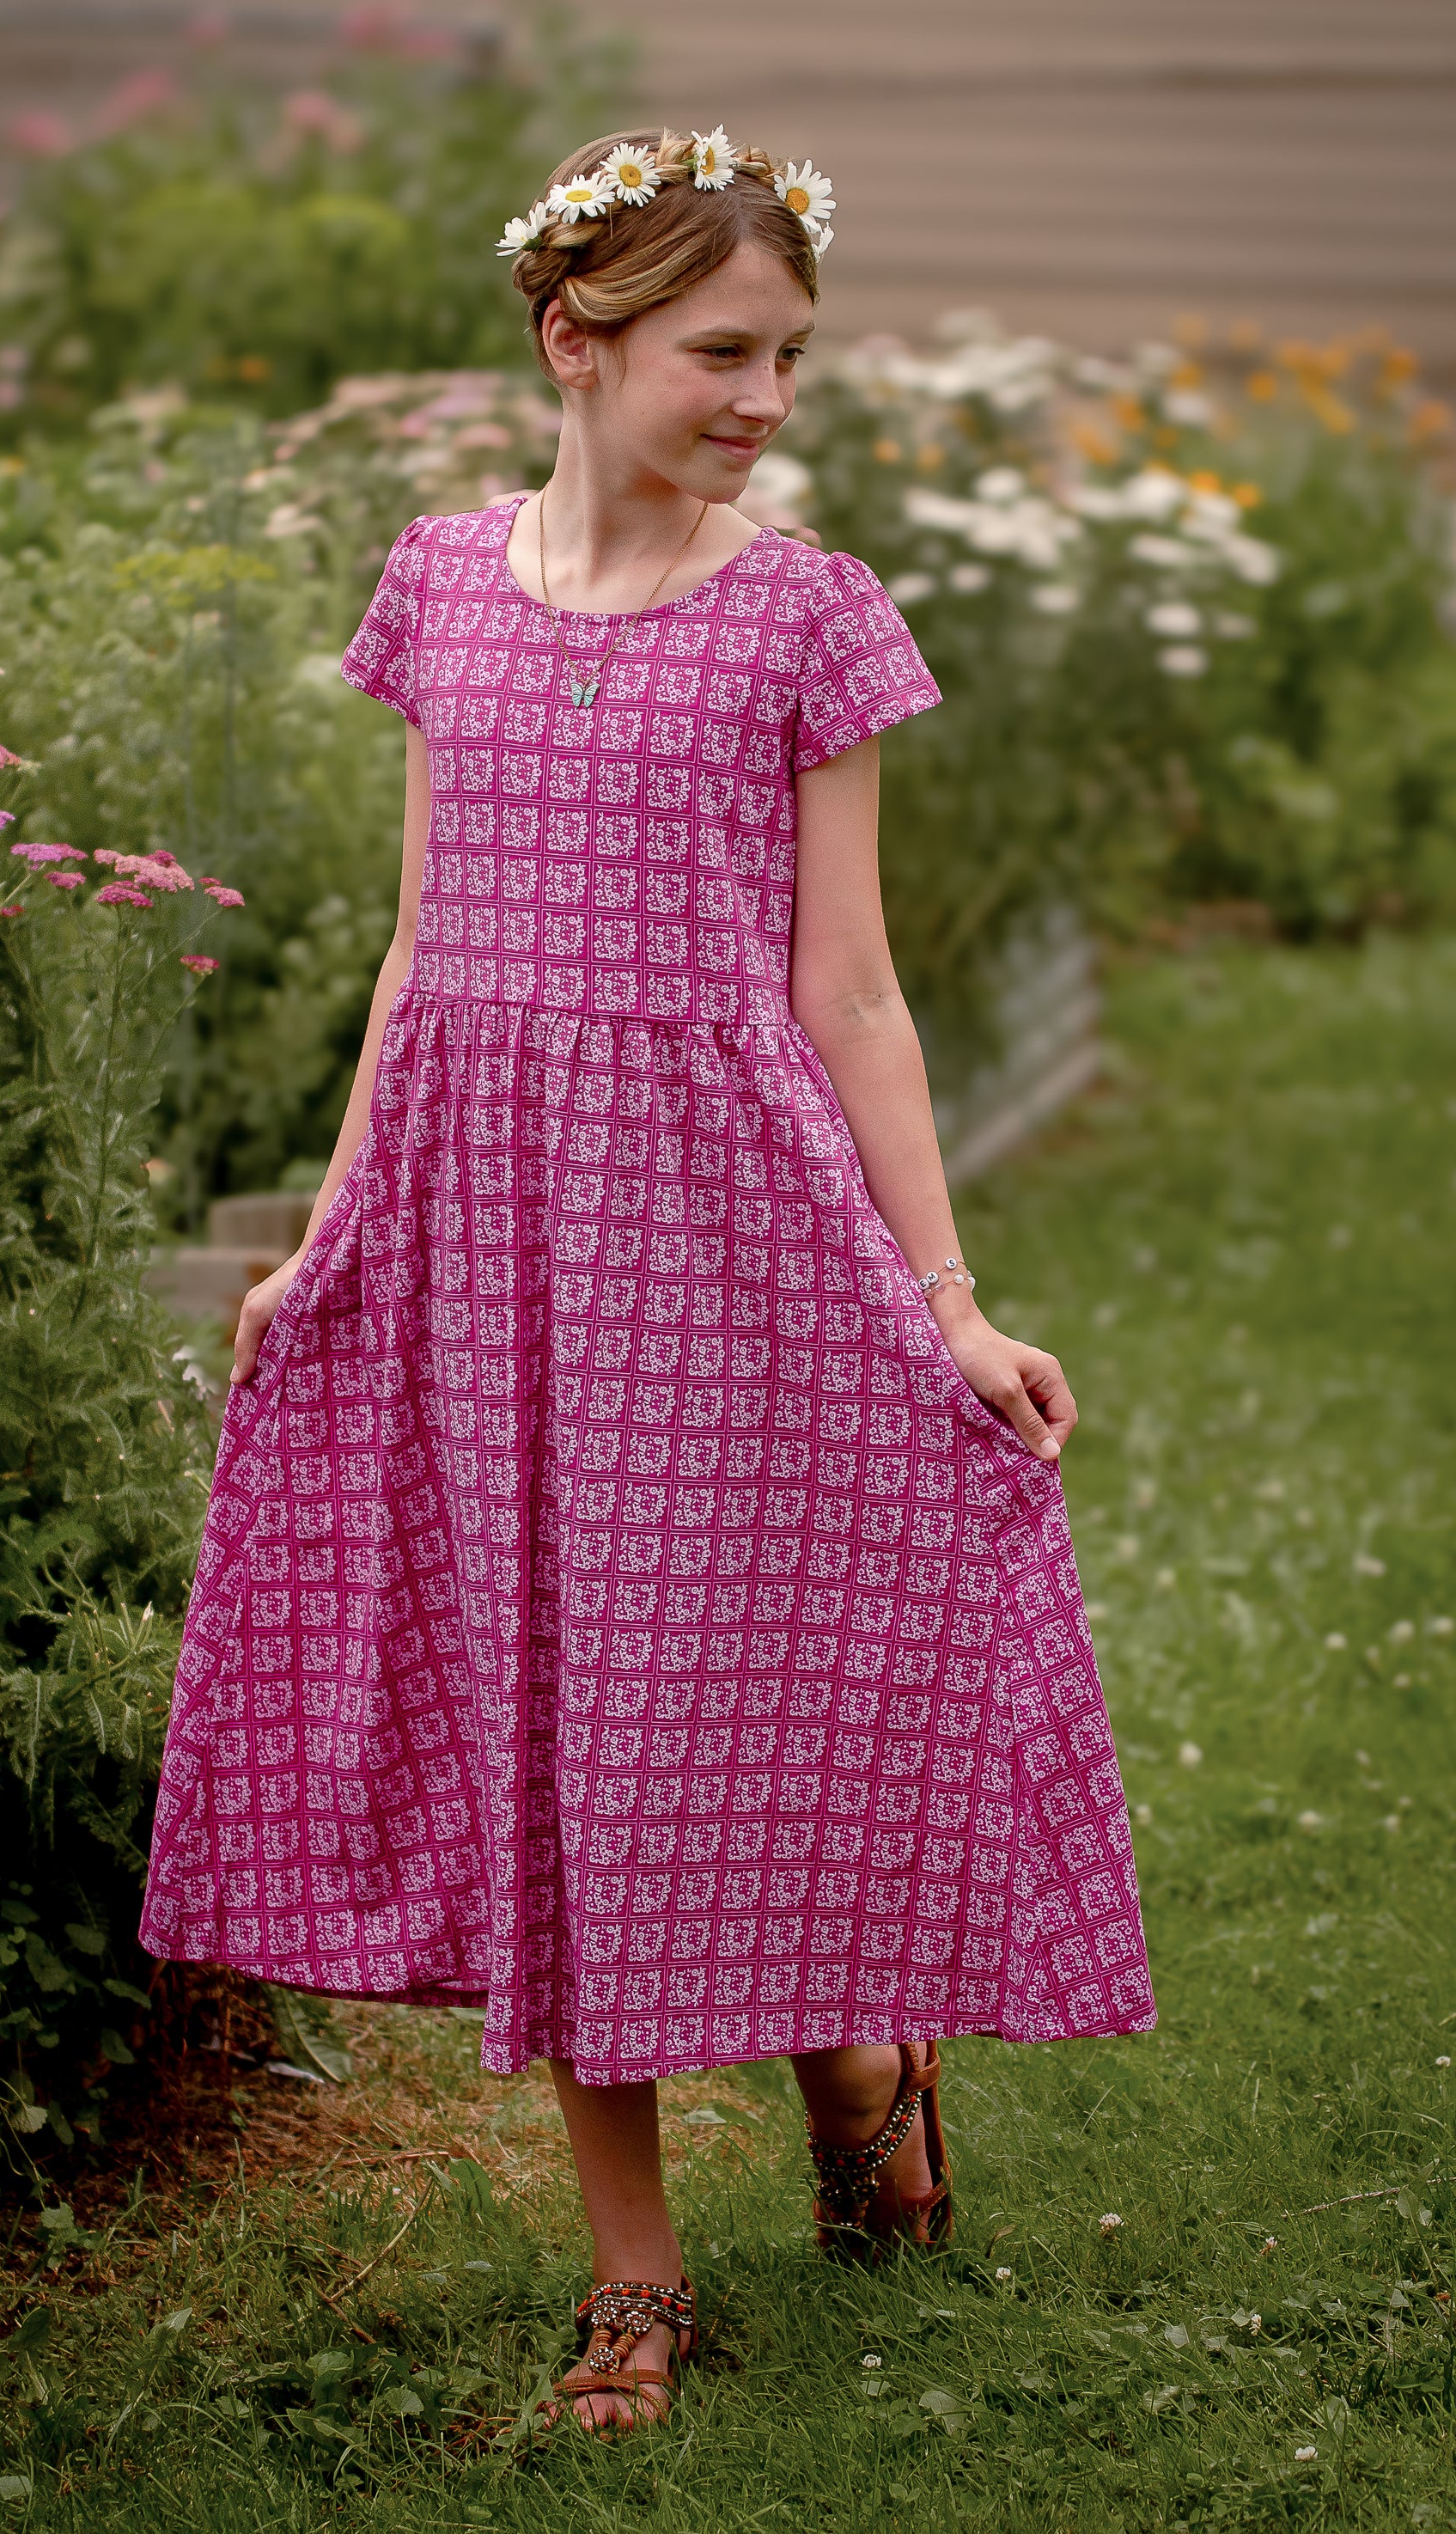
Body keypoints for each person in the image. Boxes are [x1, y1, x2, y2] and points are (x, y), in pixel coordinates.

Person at [140, 125, 1155, 2436]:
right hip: (492, 1236)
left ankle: (856, 2052)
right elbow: (417, 942)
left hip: (734, 1228)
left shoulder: (804, 611)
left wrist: (948, 1295)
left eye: (788, 355)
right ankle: (631, 2288)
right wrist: (328, 1229)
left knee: (742, 1679)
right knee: (554, 1732)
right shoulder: (434, 588)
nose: (762, 396)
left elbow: (855, 990)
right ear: (568, 343)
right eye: (720, 352)